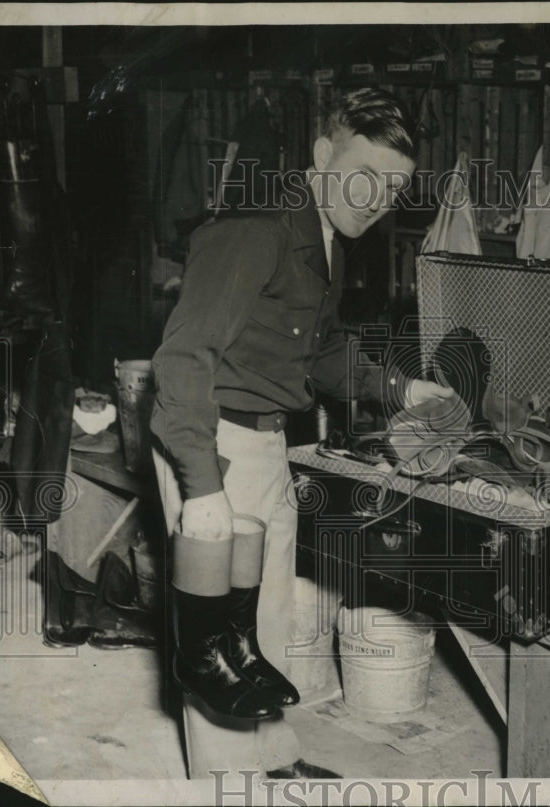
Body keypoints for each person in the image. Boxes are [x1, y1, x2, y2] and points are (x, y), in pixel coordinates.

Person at [149, 87, 454, 778]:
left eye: (394, 188)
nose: (377, 199)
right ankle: (232, 782)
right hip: (209, 439)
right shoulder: (256, 229)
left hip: (263, 440)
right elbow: (180, 360)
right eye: (365, 174)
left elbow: (319, 349)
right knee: (215, 642)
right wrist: (203, 488)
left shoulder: (325, 239)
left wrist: (401, 387)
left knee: (267, 614)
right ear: (322, 156)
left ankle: (271, 757)